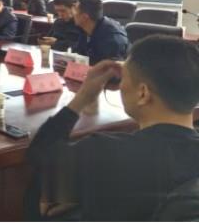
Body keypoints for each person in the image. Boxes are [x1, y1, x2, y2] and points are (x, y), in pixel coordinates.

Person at [27, 35, 199, 221]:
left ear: (143, 93)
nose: (121, 85)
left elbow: (40, 156)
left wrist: (82, 97)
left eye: (124, 78)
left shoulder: (100, 152)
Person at [73, 0, 129, 65]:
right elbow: (80, 55)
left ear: (85, 17)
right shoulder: (84, 29)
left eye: (75, 10)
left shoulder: (111, 40)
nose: (73, 13)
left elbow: (110, 69)